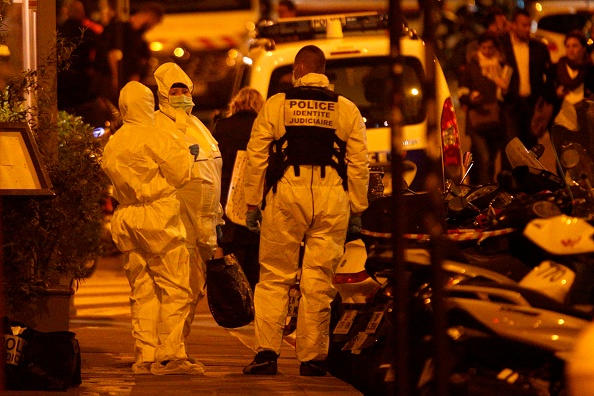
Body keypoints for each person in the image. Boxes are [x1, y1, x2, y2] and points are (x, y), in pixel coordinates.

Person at [242, 45, 369, 376]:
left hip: (287, 193)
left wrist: (252, 202)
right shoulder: (346, 109)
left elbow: (256, 156)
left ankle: (267, 353)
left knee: (273, 276)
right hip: (332, 197)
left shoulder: (277, 105)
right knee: (319, 280)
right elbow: (358, 163)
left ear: (298, 69)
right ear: (323, 71)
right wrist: (357, 207)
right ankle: (312, 358)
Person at [101, 81, 203, 375]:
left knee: (142, 288)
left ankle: (145, 354)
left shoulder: (115, 141)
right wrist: (189, 155)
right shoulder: (157, 135)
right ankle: (171, 354)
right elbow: (181, 173)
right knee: (175, 286)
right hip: (158, 215)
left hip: (127, 216)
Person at [153, 62, 224, 344]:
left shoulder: (197, 127)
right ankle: (168, 349)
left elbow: (210, 175)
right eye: (174, 90)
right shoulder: (159, 126)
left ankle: (176, 346)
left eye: (184, 89)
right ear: (162, 94)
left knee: (192, 290)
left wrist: (215, 220)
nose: (181, 95)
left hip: (201, 227)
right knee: (177, 289)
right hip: (177, 225)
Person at [212, 87, 265, 291]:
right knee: (253, 252)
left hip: (227, 197)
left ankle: (235, 296)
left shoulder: (221, 126)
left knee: (230, 251)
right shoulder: (261, 127)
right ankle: (252, 293)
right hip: (254, 196)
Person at [459, 32, 512, 184]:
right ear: (479, 48)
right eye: (484, 47)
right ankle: (483, 189)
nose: (487, 51)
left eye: (490, 48)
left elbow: (508, 93)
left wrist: (504, 89)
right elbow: (462, 90)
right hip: (477, 120)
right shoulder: (472, 66)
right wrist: (471, 97)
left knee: (490, 160)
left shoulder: (502, 66)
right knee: (484, 157)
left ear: (496, 48)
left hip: (495, 121)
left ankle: (484, 187)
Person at [499, 8, 552, 156]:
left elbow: (548, 75)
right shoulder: (503, 46)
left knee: (531, 151)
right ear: (514, 25)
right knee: (511, 149)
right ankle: (510, 178)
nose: (528, 29)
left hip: (531, 105)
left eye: (529, 25)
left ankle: (527, 179)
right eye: (524, 25)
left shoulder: (539, 48)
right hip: (511, 104)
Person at [95, 2, 164, 106]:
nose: (151, 27)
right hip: (111, 83)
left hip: (126, 86)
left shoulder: (140, 40)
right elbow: (112, 53)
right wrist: (115, 78)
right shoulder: (119, 30)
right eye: (154, 23)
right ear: (149, 16)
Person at [546, 30, 594, 156]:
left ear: (583, 48)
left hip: (584, 125)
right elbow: (546, 93)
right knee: (563, 163)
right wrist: (556, 94)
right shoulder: (556, 68)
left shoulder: (590, 70)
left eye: (575, 46)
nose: (571, 49)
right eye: (567, 46)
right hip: (561, 124)